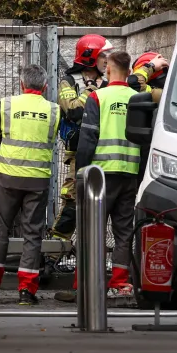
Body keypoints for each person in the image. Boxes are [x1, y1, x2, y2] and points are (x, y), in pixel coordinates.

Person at [57, 50, 141, 301]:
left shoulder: (98, 97)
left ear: (109, 69)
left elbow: (88, 136)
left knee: (90, 229)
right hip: (129, 174)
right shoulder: (139, 98)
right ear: (128, 71)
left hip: (100, 176)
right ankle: (120, 284)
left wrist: (82, 172)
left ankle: (84, 284)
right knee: (124, 231)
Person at [0, 64, 60, 306]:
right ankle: (26, 292)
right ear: (45, 86)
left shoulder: (7, 104)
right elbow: (52, 139)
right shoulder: (54, 110)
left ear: (21, 84)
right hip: (37, 180)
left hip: (7, 176)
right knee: (32, 233)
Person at [49, 34, 114, 241]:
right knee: (72, 204)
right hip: (78, 153)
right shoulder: (68, 82)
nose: (107, 60)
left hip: (105, 152)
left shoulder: (111, 83)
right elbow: (72, 111)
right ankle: (52, 257)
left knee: (101, 205)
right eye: (104, 55)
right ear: (90, 56)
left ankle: (91, 259)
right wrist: (92, 91)